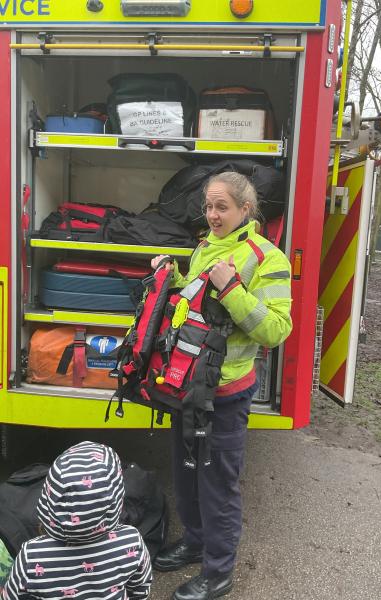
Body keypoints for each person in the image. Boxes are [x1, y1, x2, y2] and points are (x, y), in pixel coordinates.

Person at [151, 172, 292, 600]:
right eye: (209, 206)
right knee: (186, 474)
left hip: (225, 395)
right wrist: (172, 278)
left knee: (217, 486)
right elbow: (196, 306)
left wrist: (231, 287)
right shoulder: (205, 247)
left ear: (245, 209)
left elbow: (275, 329)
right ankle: (196, 543)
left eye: (222, 207)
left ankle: (218, 573)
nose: (212, 215)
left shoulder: (268, 258)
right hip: (188, 387)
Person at [2, 441, 152, 600]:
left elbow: (11, 596)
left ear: (48, 497)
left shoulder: (31, 556)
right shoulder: (131, 541)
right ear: (117, 498)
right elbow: (140, 589)